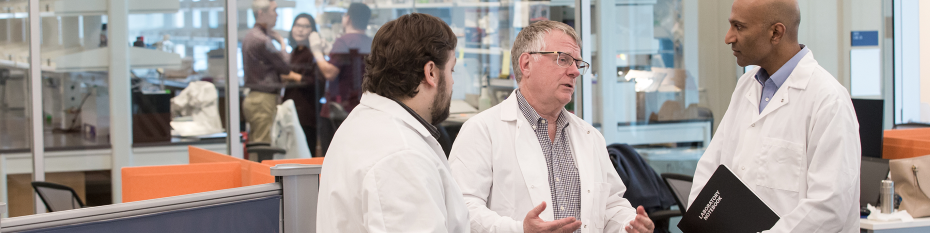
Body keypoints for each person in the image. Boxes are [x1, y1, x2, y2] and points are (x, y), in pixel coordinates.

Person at [449, 20, 654, 233]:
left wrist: (629, 225)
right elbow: (462, 208)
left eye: (578, 63)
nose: (575, 71)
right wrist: (520, 230)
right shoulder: (482, 131)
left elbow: (611, 206)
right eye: (563, 59)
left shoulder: (589, 136)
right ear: (526, 64)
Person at [686, 0, 860, 232]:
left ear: (776, 32)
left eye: (739, 26)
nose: (728, 37)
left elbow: (829, 207)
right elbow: (711, 169)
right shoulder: (747, 85)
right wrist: (700, 223)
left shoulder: (828, 99)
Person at [316, 13, 468, 232]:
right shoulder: (401, 155)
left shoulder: (366, 122)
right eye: (451, 70)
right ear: (431, 72)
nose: (452, 81)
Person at [312, 2, 373, 156]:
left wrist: (317, 52)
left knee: (334, 158)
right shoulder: (371, 43)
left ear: (347, 19)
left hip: (339, 111)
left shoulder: (343, 41)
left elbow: (330, 72)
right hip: (362, 110)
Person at [242, 0, 301, 143]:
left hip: (256, 98)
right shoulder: (262, 40)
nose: (277, 14)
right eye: (274, 10)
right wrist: (281, 41)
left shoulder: (251, 36)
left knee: (260, 143)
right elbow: (285, 65)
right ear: (261, 13)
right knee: (263, 146)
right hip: (263, 100)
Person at [283, 13, 323, 156]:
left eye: (306, 26)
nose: (300, 30)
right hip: (291, 112)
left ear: (312, 32)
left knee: (305, 156)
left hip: (307, 114)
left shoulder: (314, 54)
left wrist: (294, 76)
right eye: (298, 25)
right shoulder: (293, 52)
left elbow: (318, 82)